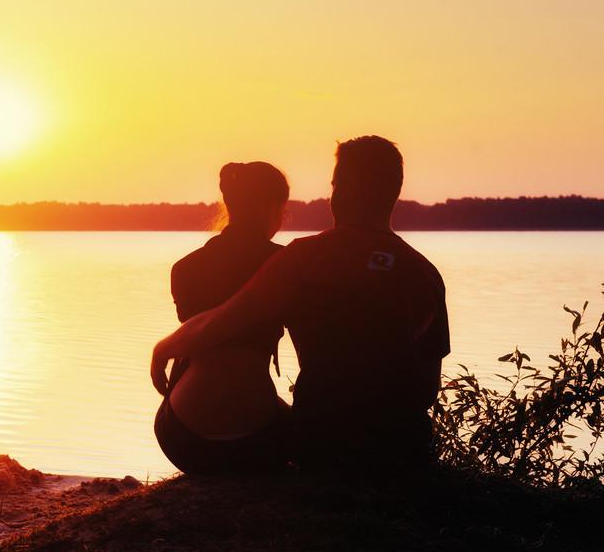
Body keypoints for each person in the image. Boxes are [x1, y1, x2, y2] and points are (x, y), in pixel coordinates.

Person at [151, 136, 449, 472]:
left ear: (340, 190)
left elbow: (219, 323)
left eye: (335, 183)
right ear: (395, 191)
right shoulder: (423, 274)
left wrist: (163, 349)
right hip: (399, 452)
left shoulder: (304, 259)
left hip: (322, 443)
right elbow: (427, 388)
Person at [154, 161, 293, 475]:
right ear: (273, 206)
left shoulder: (185, 268)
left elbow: (200, 336)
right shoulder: (287, 265)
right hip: (258, 440)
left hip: (184, 439)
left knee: (194, 360)